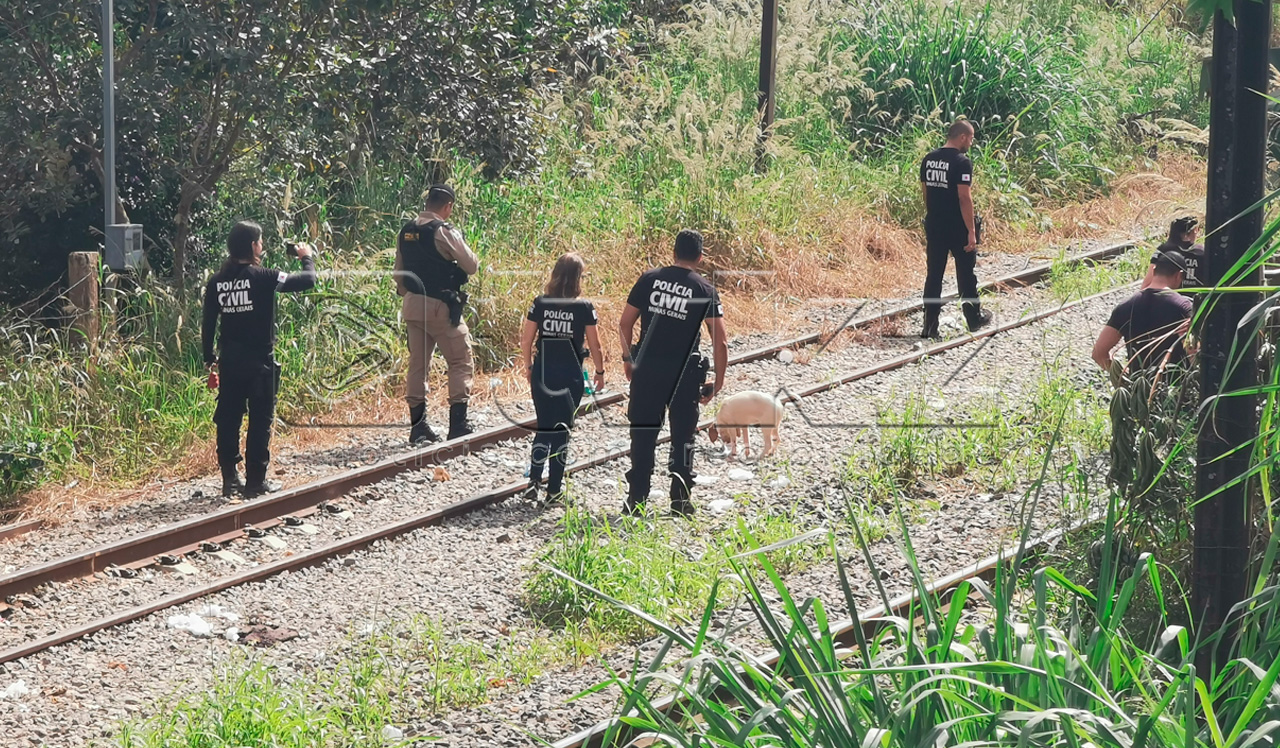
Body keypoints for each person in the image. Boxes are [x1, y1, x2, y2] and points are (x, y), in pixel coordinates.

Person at [202, 221, 317, 497]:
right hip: (260, 364)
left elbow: (208, 323)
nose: (262, 246)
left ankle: (230, 479)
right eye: (260, 242)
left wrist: (209, 357)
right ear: (253, 246)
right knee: (260, 420)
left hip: (230, 362)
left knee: (228, 419)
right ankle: (255, 481)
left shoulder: (217, 282)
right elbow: (308, 280)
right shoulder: (264, 276)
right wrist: (306, 257)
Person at [619, 229, 727, 517]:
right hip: (684, 374)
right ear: (700, 257)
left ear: (673, 252)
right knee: (683, 437)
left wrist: (628, 358)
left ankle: (636, 500)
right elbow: (720, 341)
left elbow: (625, 323)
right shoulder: (705, 290)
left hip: (647, 369)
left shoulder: (648, 279)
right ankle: (680, 501)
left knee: (642, 434)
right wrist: (718, 381)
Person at [394, 184, 479, 443]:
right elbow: (471, 265)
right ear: (448, 206)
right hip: (440, 306)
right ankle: (458, 424)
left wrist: (409, 296)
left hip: (412, 305)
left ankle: (418, 428)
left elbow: (399, 274)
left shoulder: (406, 231)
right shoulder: (443, 231)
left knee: (418, 365)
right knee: (460, 361)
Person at [519, 253, 605, 504]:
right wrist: (600, 372)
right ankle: (554, 489)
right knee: (561, 431)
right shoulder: (584, 307)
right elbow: (595, 345)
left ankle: (533, 482)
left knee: (544, 426)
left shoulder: (540, 303)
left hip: (543, 372)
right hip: (570, 375)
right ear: (578, 278)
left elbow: (526, 340)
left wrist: (529, 366)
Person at [920, 119, 991, 338]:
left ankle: (929, 326)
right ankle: (973, 319)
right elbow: (964, 198)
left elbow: (925, 192)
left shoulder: (928, 159)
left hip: (935, 225)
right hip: (957, 227)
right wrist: (971, 231)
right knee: (966, 274)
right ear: (962, 137)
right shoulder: (962, 162)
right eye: (970, 138)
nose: (971, 143)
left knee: (934, 275)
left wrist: (933, 215)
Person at [1093, 246, 1193, 373]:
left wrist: (1123, 378)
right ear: (1179, 275)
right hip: (1175, 383)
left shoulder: (1125, 306)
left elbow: (1098, 353)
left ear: (1154, 270)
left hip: (1138, 382)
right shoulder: (1183, 306)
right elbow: (1193, 353)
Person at [1141, 217, 1204, 289]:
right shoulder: (1202, 252)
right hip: (1198, 295)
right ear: (1195, 230)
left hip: (1167, 295)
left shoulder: (1163, 250)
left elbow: (1147, 284)